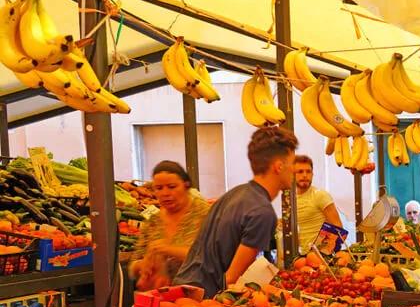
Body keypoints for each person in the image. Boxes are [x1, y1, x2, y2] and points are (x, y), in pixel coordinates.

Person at [174, 127, 298, 298]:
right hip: (202, 300)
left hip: (183, 287)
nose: (294, 170)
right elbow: (232, 278)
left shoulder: (235, 193)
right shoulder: (262, 212)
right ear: (279, 166)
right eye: (292, 164)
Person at [130, 161, 210, 290]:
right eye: (159, 188)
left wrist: (168, 249)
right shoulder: (153, 221)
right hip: (162, 299)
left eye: (172, 187)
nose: (165, 193)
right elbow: (133, 264)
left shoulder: (205, 215)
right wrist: (144, 265)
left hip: (201, 297)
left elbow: (211, 257)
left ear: (186, 185)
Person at [293, 155, 342, 253]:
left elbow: (338, 229)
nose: (305, 175)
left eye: (308, 171)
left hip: (321, 257)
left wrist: (321, 253)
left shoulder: (320, 195)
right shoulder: (290, 199)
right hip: (302, 256)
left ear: (312, 174)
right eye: (300, 171)